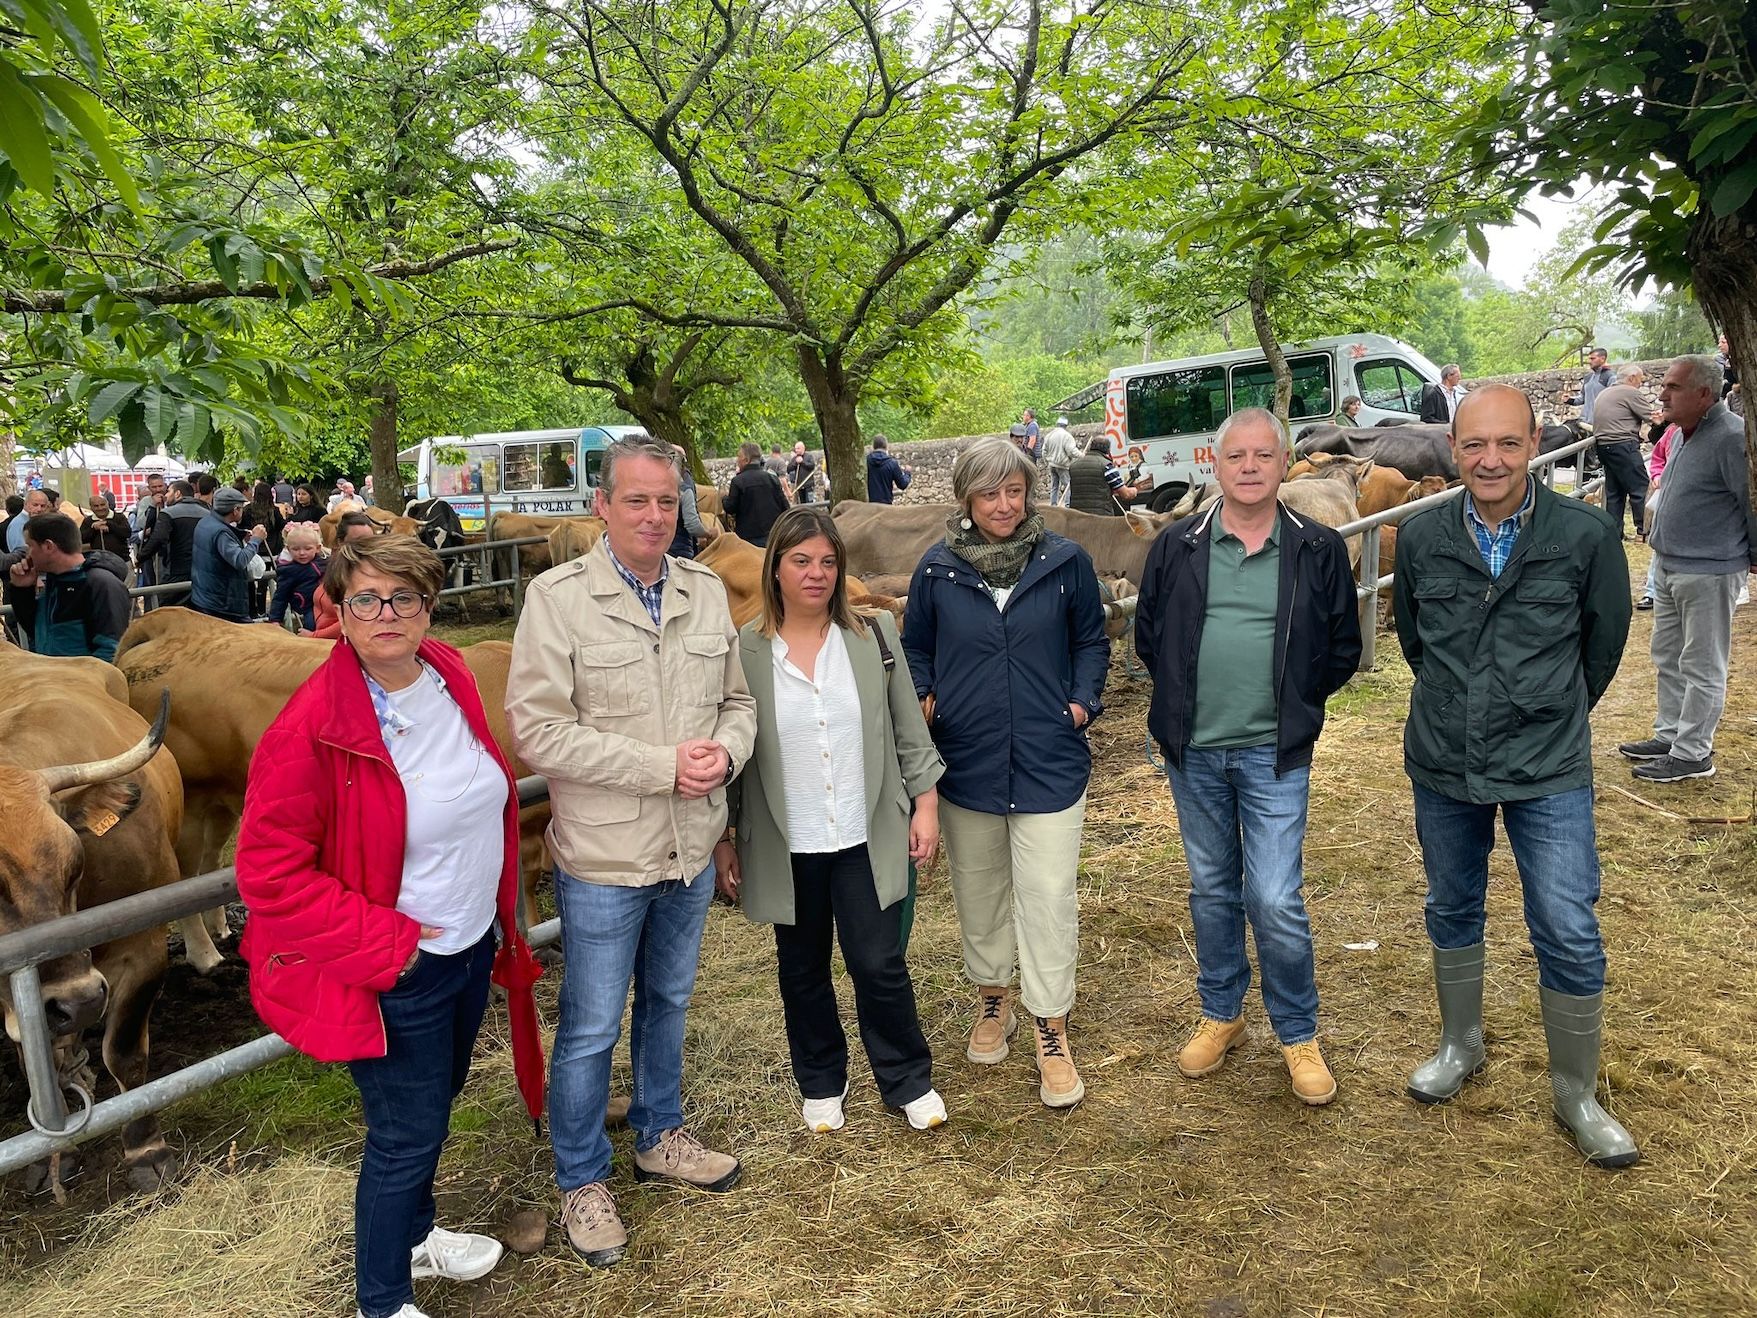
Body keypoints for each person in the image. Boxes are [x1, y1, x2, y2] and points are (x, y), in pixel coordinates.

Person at [235, 533, 542, 1318]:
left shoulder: (447, 673)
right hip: (398, 964)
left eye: (403, 597)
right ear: (336, 610)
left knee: (433, 1109)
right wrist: (393, 954)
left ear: (428, 607)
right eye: (365, 599)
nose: (386, 614)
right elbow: (268, 874)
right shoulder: (311, 727)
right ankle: (382, 1299)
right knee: (403, 1136)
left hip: (468, 943)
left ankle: (416, 1237)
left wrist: (486, 925)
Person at [505, 435, 757, 1268]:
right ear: (601, 507)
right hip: (606, 856)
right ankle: (582, 1177)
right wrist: (660, 767)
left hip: (687, 851)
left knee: (669, 1004)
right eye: (636, 500)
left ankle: (660, 1134)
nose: (653, 516)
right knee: (586, 1030)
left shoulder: (703, 591)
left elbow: (735, 703)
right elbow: (537, 730)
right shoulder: (557, 599)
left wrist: (727, 753)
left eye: (665, 501)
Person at [1394, 382, 1637, 1169]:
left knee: (1566, 922)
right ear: (1452, 448)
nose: (1489, 459)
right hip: (1442, 757)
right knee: (1451, 902)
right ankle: (1458, 1042)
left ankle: (1575, 1092)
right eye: (1473, 445)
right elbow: (1414, 643)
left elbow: (1600, 647)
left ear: (1532, 444)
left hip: (1547, 764)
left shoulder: (1585, 536)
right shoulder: (1422, 536)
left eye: (1505, 443)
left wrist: (1547, 707)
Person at [1135, 408, 1360, 1105]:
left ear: (1283, 460)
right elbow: (1149, 636)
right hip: (1194, 749)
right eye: (1237, 455)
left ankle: (1297, 1032)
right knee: (1211, 888)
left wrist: (1293, 701)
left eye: (1264, 454)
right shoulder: (1177, 545)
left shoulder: (1316, 549)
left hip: (1273, 752)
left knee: (1273, 896)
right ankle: (1222, 1013)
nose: (1250, 466)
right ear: (1215, 463)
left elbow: (1340, 647)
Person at [716, 505, 947, 1133]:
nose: (816, 574)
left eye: (827, 561)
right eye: (801, 561)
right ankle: (821, 1080)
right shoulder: (745, 650)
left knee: (879, 963)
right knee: (802, 969)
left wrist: (924, 803)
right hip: (789, 841)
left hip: (863, 830)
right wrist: (725, 837)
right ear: (776, 570)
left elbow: (906, 727)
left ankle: (906, 1076)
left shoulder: (872, 638)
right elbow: (736, 749)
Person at [901, 436, 1109, 1110]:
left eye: (1013, 490)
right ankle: (994, 1000)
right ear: (966, 497)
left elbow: (1089, 639)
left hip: (1049, 761)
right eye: (987, 492)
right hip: (968, 760)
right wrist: (926, 695)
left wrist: (1080, 704)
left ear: (1027, 492)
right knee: (981, 891)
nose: (1002, 504)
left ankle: (1051, 1025)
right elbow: (915, 650)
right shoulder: (936, 571)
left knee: (1047, 897)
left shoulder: (1064, 562)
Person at [1620, 355, 1757, 783]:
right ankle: (1672, 736)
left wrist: (1752, 555)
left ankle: (1694, 753)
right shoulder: (1681, 434)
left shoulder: (1732, 437)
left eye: (1673, 387)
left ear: (1704, 394)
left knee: (1702, 663)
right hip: (1670, 563)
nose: (1662, 394)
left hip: (1711, 569)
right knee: (1668, 654)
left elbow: (1750, 501)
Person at [5, 513, 132, 660]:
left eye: (30, 546)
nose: (27, 554)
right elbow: (38, 632)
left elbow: (112, 649)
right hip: (56, 677)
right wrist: (22, 590)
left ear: (48, 546)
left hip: (82, 680)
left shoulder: (100, 584)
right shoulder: (56, 581)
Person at [1587, 365, 1652, 542]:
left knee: (1615, 491)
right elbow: (1653, 416)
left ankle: (1614, 533)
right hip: (1623, 444)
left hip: (1603, 446)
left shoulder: (1605, 393)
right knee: (1640, 488)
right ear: (1631, 378)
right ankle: (1644, 532)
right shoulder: (1630, 393)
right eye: (1640, 379)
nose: (1641, 383)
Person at [190, 486, 269, 622]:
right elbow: (239, 560)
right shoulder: (222, 533)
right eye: (241, 508)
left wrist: (239, 537)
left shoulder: (205, 522)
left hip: (205, 597)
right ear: (235, 510)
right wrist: (256, 540)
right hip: (223, 603)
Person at [310, 512, 383, 639]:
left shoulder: (375, 575)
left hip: (354, 645)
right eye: (358, 542)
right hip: (326, 646)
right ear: (340, 542)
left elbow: (359, 616)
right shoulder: (330, 567)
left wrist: (314, 636)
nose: (366, 547)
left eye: (370, 541)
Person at [1636, 414, 1676, 610]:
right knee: (1660, 542)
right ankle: (1652, 591)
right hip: (1667, 498)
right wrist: (1657, 475)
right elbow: (1658, 457)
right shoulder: (1671, 432)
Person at [140, 480, 207, 596]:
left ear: (177, 494)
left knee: (169, 607)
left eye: (169, 491)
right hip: (203, 570)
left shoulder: (168, 513)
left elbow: (158, 538)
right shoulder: (207, 513)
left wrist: (141, 556)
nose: (165, 495)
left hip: (176, 570)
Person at [724, 442, 791, 547]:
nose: (737, 460)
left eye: (739, 456)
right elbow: (785, 507)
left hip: (748, 540)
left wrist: (724, 499)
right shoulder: (772, 479)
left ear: (746, 460)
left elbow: (730, 508)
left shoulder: (738, 481)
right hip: (772, 536)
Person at [268, 521, 327, 631]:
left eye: (307, 548)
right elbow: (280, 596)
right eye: (296, 549)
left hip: (329, 602)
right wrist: (275, 619)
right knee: (312, 624)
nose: (302, 553)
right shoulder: (288, 571)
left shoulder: (324, 561)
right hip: (310, 606)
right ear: (288, 549)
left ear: (317, 548)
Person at [1065, 439, 1136, 516]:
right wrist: (1134, 490)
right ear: (1108, 450)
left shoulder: (1074, 466)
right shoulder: (1107, 466)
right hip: (1100, 517)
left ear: (1091, 447)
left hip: (1077, 516)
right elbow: (1126, 494)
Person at [864, 434, 913, 505]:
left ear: (873, 446)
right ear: (886, 446)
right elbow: (902, 485)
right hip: (886, 505)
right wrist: (907, 472)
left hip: (870, 504)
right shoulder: (892, 463)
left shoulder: (865, 461)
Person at [1041, 416, 1078, 507]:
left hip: (1052, 464)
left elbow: (1044, 451)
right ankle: (1068, 505)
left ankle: (1053, 505)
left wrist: (1047, 462)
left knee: (1054, 486)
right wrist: (1082, 456)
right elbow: (1071, 451)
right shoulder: (1067, 436)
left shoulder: (1049, 435)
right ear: (1066, 425)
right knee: (1067, 486)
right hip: (1063, 465)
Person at [5, 488, 50, 553]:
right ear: (25, 504)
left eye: (43, 506)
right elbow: (21, 552)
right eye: (35, 505)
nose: (39, 509)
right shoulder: (18, 524)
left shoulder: (36, 521)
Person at [1579, 347, 1613, 423]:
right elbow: (1582, 399)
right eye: (1589, 359)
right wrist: (1569, 400)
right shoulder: (1588, 377)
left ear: (1602, 359)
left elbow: (1613, 401)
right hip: (1585, 422)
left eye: (1592, 359)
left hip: (1602, 423)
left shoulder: (1610, 377)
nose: (1589, 361)